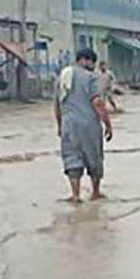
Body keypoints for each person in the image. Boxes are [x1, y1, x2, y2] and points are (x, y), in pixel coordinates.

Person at [56, 49, 113, 203]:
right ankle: (95, 192)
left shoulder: (63, 77)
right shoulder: (92, 78)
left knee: (71, 157)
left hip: (69, 124)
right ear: (88, 61)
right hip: (89, 125)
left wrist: (59, 126)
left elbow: (57, 104)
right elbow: (97, 102)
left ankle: (75, 195)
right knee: (94, 157)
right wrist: (107, 123)